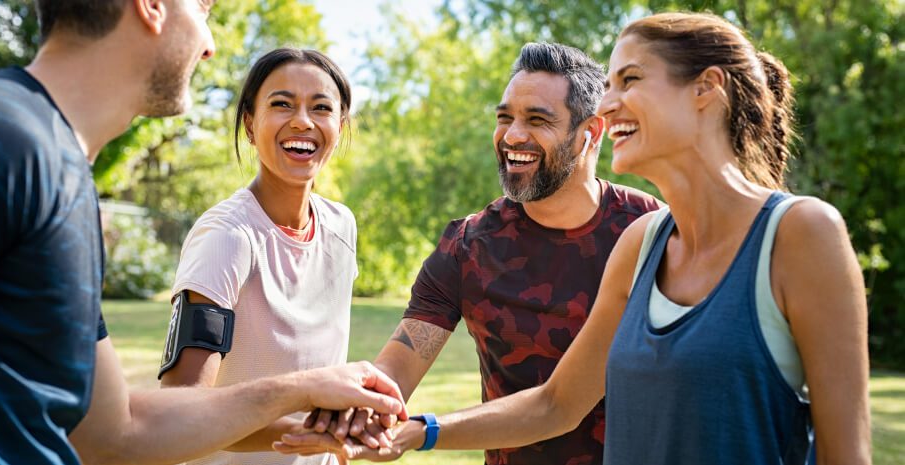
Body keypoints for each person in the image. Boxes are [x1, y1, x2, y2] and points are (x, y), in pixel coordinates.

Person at [278, 12, 871, 465]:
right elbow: (553, 404)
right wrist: (387, 422)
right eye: (504, 115)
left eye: (630, 80)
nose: (612, 104)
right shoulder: (630, 245)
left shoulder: (784, 233)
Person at [0, 2, 405, 465]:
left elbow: (119, 433)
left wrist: (310, 396)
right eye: (202, 7)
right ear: (151, 6)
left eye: (321, 107)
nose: (209, 47)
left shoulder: (65, 178)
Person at [297, 42, 661, 465]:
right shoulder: (468, 247)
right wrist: (357, 413)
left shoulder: (651, 230)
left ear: (591, 133)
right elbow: (396, 371)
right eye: (505, 117)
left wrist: (423, 431)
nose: (512, 135)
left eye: (537, 120)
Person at [157, 47, 373, 465]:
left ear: (340, 126)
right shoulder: (226, 237)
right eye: (282, 104)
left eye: (321, 107)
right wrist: (319, 433)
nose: (303, 121)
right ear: (251, 125)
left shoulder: (341, 226)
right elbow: (182, 412)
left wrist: (336, 436)